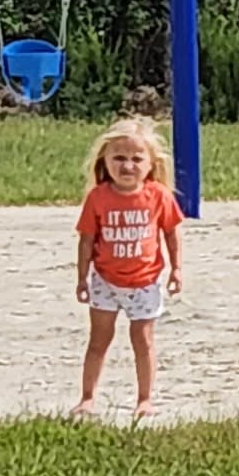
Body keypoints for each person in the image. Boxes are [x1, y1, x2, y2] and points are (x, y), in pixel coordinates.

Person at [74, 117, 185, 418]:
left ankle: (144, 399)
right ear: (105, 161)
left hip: (145, 281)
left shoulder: (158, 195)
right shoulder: (98, 197)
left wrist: (176, 269)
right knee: (98, 339)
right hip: (105, 280)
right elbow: (86, 240)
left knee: (143, 339)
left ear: (150, 163)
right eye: (119, 158)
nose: (127, 166)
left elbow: (170, 233)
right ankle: (87, 397)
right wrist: (82, 278)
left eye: (137, 159)